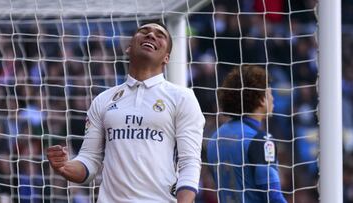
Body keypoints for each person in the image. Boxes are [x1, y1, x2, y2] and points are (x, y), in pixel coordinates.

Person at [47, 22, 205, 203]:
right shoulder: (103, 100)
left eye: (159, 35)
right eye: (144, 31)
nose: (151, 35)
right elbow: (89, 161)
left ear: (166, 58)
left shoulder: (182, 97)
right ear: (129, 48)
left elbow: (189, 162)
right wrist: (64, 166)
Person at [206, 65, 287, 203]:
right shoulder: (261, 140)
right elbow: (272, 196)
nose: (273, 99)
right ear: (262, 99)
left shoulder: (215, 137)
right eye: (270, 93)